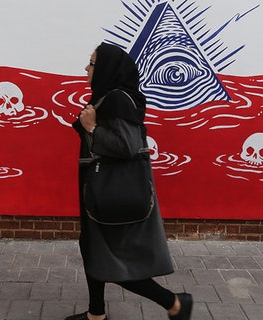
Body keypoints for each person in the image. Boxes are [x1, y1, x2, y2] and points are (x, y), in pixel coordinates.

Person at [66, 42, 193, 320]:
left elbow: (126, 146)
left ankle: (175, 303)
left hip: (110, 191)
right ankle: (95, 315)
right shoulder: (107, 97)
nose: (86, 68)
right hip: (98, 188)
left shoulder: (118, 99)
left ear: (108, 69)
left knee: (107, 260)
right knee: (91, 248)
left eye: (92, 63)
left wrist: (92, 128)